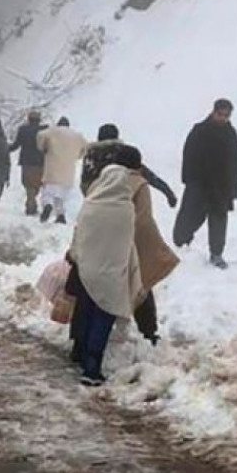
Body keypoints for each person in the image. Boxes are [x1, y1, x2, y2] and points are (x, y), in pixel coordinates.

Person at [70, 143, 179, 359]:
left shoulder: (101, 181)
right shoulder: (139, 184)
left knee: (87, 297)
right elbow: (143, 220)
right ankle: (148, 332)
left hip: (93, 245)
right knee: (139, 288)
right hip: (125, 247)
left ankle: (78, 345)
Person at [65, 162, 144, 386]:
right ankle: (92, 367)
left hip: (86, 270)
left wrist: (75, 255)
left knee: (85, 310)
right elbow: (128, 243)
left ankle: (79, 353)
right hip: (112, 273)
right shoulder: (126, 209)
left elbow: (78, 235)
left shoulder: (90, 205)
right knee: (104, 315)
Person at [172, 99, 237, 269]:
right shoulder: (200, 131)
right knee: (190, 217)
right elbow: (188, 155)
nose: (223, 118)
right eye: (220, 114)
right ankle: (181, 245)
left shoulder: (230, 134)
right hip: (199, 184)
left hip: (221, 187)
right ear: (213, 112)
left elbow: (235, 162)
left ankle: (216, 253)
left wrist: (233, 188)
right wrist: (190, 180)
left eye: (226, 115)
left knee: (218, 221)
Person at [36, 117, 88, 224]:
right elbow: (86, 147)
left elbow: (40, 135)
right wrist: (78, 155)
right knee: (61, 195)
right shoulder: (77, 135)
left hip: (52, 168)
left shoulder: (52, 131)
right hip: (68, 170)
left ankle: (48, 205)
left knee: (48, 193)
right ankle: (60, 215)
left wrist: (43, 147)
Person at [8, 110, 48, 216]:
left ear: (29, 119)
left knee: (28, 185)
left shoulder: (23, 130)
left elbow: (16, 145)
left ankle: (31, 205)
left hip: (27, 162)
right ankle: (32, 204)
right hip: (41, 163)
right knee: (37, 184)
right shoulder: (44, 130)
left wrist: (6, 148)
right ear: (39, 120)